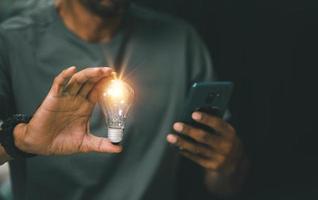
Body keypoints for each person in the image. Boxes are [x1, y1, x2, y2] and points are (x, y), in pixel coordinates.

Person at [0, 0, 247, 199]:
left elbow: (225, 187)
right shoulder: (11, 42)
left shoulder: (181, 42)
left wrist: (228, 164)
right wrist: (22, 139)